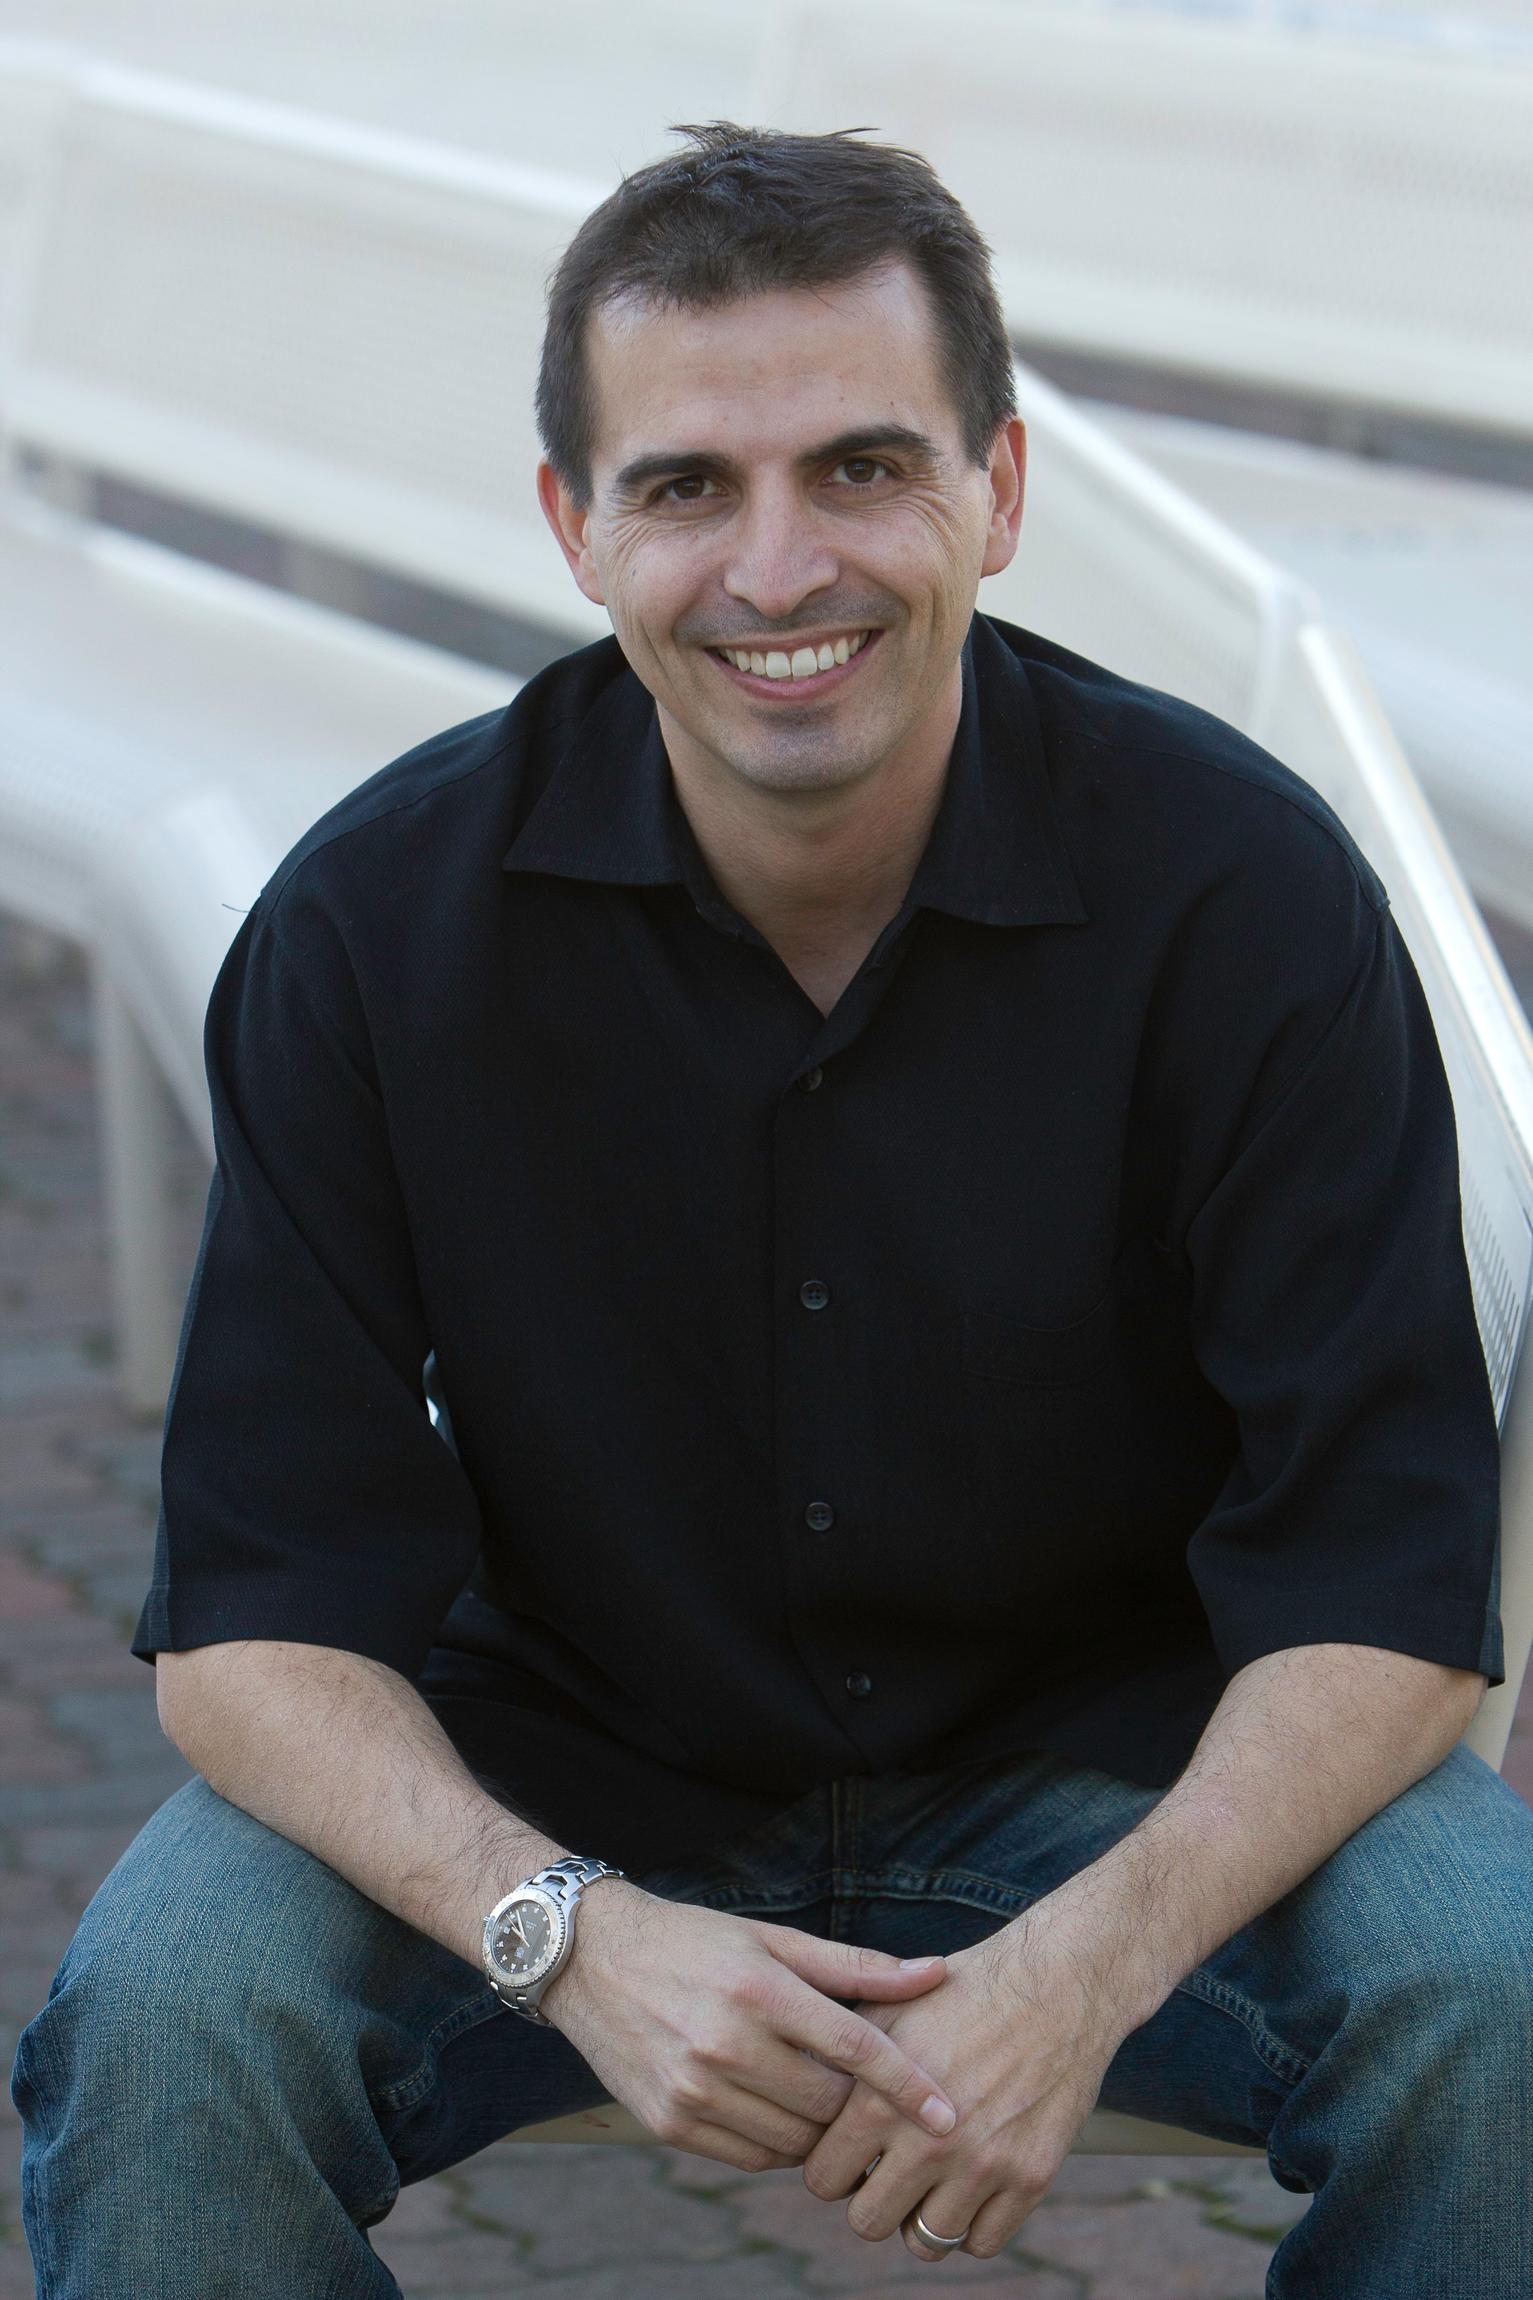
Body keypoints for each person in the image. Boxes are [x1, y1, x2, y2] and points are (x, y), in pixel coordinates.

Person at [12, 120, 1531, 2298]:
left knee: (1495, 1996)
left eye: (860, 467)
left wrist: (1092, 1960)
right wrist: (564, 1933)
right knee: (172, 2022)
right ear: (575, 527)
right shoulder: (375, 930)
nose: (778, 567)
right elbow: (256, 1632)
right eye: (685, 489)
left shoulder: (1240, 896)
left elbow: (1382, 1581)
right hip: (567, 1759)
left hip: (1125, 1760)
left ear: (998, 491)